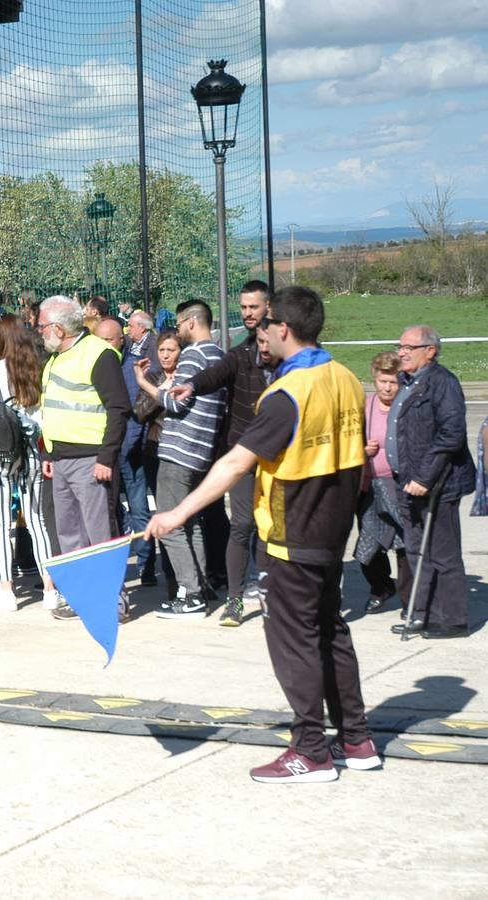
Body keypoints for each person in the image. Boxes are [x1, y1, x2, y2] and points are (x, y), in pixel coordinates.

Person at [146, 285, 377, 783]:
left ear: (284, 329)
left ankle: (310, 750)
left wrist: (177, 512)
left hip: (292, 530)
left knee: (293, 640)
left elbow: (234, 463)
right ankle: (356, 739)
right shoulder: (346, 379)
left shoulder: (286, 395)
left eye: (265, 324)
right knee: (330, 631)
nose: (259, 332)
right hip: (333, 530)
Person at [170, 280, 272, 626]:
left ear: (269, 308)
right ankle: (235, 601)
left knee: (274, 527)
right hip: (242, 452)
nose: (247, 313)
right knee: (242, 524)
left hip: (279, 455)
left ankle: (274, 592)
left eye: (253, 307)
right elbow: (216, 374)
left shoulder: (287, 358)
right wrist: (193, 385)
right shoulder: (241, 353)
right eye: (243, 307)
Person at [37, 295, 131, 623]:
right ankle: (84, 599)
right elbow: (53, 410)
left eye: (42, 326)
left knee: (100, 534)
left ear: (59, 328)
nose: (39, 332)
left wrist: (106, 456)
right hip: (61, 460)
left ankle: (113, 602)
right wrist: (49, 453)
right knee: (70, 535)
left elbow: (118, 408)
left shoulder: (99, 355)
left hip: (92, 460)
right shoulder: (55, 360)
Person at [387, 324, 477, 640]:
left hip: (437, 484)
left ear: (430, 351)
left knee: (442, 552)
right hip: (405, 482)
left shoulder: (443, 383)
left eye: (409, 347)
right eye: (400, 346)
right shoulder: (407, 383)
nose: (401, 352)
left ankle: (452, 619)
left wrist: (425, 477)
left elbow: (450, 434)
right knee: (415, 552)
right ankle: (421, 613)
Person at [137, 300, 226, 619]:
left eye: (179, 323)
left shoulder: (194, 355)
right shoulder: (218, 354)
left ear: (191, 322)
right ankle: (201, 586)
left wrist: (145, 384)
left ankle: (189, 593)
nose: (178, 329)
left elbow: (176, 405)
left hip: (179, 452)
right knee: (192, 522)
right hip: (202, 451)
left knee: (169, 524)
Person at [0, 315, 58, 611]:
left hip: (2, 453)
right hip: (33, 451)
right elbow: (42, 415)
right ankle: (50, 589)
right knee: (37, 521)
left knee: (1, 523)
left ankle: (6, 590)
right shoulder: (35, 367)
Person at [354, 351, 409, 613]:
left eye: (393, 382)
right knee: (367, 549)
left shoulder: (407, 407)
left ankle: (411, 598)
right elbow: (349, 442)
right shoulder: (365, 406)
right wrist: (361, 450)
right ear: (374, 379)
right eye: (382, 381)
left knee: (404, 545)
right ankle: (382, 586)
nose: (387, 387)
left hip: (398, 487)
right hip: (368, 486)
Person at [132, 329, 181, 593]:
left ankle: (194, 575)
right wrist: (158, 392)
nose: (165, 355)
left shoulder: (188, 376)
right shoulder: (153, 377)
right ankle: (171, 576)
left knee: (188, 515)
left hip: (184, 452)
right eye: (162, 350)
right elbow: (139, 413)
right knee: (164, 512)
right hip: (156, 452)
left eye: (171, 350)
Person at [116, 310, 155, 585]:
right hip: (115, 450)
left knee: (139, 509)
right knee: (117, 512)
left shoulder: (133, 365)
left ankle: (147, 565)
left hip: (129, 451)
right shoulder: (118, 362)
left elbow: (137, 410)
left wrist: (129, 445)